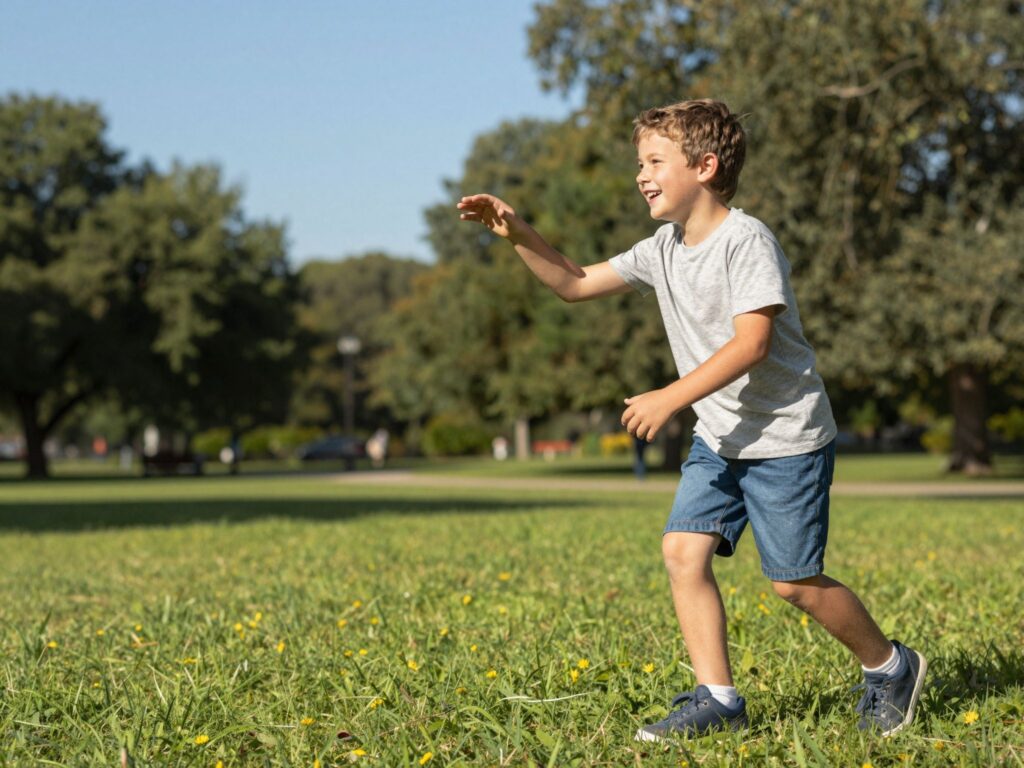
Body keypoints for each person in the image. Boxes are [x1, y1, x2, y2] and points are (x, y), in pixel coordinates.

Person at [456, 99, 926, 740]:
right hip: (720, 437)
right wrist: (518, 234)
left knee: (794, 584)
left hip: (785, 437)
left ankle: (891, 666)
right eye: (639, 163)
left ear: (704, 166)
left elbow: (751, 344)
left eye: (655, 161)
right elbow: (572, 283)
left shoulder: (745, 239)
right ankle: (720, 699)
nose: (641, 175)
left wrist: (670, 397)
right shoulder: (663, 248)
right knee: (682, 550)